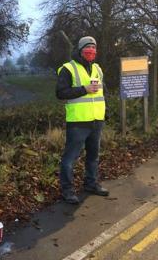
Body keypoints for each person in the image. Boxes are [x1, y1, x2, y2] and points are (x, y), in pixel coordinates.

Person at [55, 36, 108, 205]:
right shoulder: (68, 69)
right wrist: (84, 89)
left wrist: (105, 113)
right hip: (78, 122)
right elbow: (61, 93)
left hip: (96, 121)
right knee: (70, 159)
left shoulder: (98, 69)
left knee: (93, 156)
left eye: (94, 48)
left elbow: (102, 93)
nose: (91, 51)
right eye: (88, 48)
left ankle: (91, 184)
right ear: (80, 50)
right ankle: (67, 191)